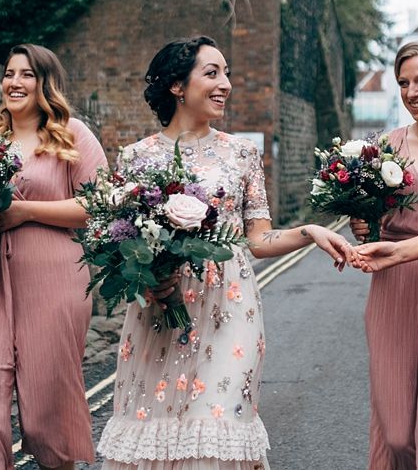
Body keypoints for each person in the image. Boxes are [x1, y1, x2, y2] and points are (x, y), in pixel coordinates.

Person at [97, 36, 353, 470]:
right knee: (158, 429)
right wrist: (150, 273)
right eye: (212, 73)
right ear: (178, 85)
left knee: (218, 425)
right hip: (160, 310)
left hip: (229, 308)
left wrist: (309, 231)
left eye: (227, 73)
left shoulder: (242, 153)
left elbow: (258, 240)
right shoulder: (136, 157)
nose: (226, 84)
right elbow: (119, 241)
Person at [0, 44, 108, 470]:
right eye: (8, 74)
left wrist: (26, 210)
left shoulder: (73, 135)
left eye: (26, 75)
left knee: (44, 416)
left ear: (45, 84)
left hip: (55, 280)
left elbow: (99, 207)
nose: (14, 83)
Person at [347, 40, 418, 470]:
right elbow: (371, 218)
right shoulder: (386, 147)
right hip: (393, 289)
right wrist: (364, 225)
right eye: (404, 83)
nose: (412, 92)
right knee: (395, 434)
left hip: (401, 258)